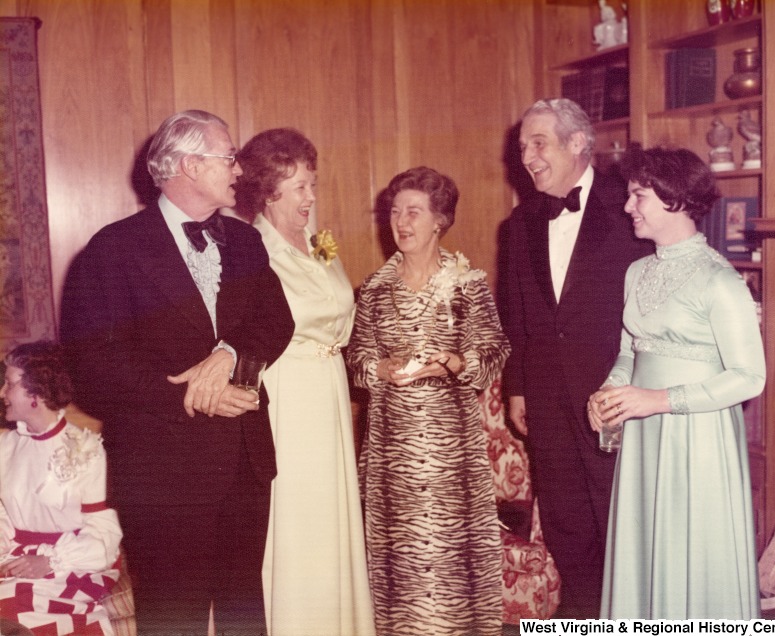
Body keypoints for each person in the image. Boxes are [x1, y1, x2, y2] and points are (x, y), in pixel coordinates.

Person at [60, 110, 295, 633]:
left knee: (243, 616)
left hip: (243, 463)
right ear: (190, 164)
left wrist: (230, 355)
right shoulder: (111, 250)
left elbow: (274, 321)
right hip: (161, 472)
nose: (239, 170)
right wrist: (193, 394)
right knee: (174, 620)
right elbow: (93, 363)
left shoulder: (244, 241)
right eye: (228, 157)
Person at [587, 146, 765, 619]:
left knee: (692, 545)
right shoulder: (636, 272)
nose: (628, 207)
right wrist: (610, 391)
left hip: (696, 436)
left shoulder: (720, 280)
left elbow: (751, 377)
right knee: (644, 545)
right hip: (644, 433)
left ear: (675, 199)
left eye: (638, 196)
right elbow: (630, 350)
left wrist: (659, 399)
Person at [498, 98, 652, 618]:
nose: (528, 157)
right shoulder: (519, 223)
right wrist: (517, 387)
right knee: (566, 525)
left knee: (620, 520)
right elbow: (515, 312)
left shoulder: (631, 206)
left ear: (579, 143)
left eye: (538, 144)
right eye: (522, 148)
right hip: (546, 400)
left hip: (612, 395)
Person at [347, 166, 509, 636]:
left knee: (449, 551)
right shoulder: (375, 290)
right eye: (395, 212)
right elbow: (357, 356)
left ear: (439, 220)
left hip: (449, 447)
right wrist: (378, 369)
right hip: (392, 446)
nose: (401, 222)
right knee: (400, 555)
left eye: (413, 212)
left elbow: (495, 349)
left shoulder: (467, 283)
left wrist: (455, 363)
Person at [234, 128, 375, 636]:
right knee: (297, 521)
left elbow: (343, 314)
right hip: (287, 398)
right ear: (268, 191)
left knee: (332, 520)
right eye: (299, 187)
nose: (311, 197)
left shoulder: (321, 244)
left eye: (312, 184)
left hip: (331, 394)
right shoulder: (249, 249)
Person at [0, 341, 122, 634]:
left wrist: (50, 561)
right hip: (14, 560)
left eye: (8, 384)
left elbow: (104, 534)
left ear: (36, 393)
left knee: (17, 615)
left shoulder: (87, 450)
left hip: (69, 567)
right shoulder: (5, 446)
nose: (2, 393)